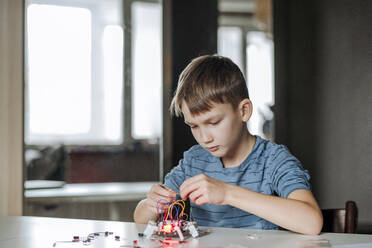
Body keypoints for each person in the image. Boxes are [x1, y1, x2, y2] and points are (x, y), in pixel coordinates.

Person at [133, 55, 323, 235]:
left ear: (244, 111)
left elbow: (311, 222)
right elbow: (140, 219)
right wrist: (151, 203)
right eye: (194, 126)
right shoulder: (194, 160)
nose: (204, 137)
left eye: (213, 123)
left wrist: (226, 193)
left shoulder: (273, 160)